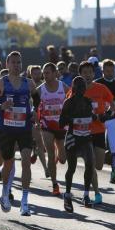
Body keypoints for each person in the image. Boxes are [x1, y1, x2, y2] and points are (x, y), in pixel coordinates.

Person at [0, 51, 36, 216]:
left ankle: (25, 202)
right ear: (7, 64)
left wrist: (34, 111)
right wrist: (0, 107)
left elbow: (38, 102)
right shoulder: (1, 83)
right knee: (8, 163)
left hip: (25, 128)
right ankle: (6, 191)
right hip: (7, 129)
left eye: (19, 62)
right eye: (13, 62)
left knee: (26, 161)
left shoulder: (29, 83)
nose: (16, 65)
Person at [69, 61, 115, 205]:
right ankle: (96, 192)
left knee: (99, 165)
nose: (87, 75)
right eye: (84, 73)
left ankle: (92, 189)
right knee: (91, 163)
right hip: (83, 133)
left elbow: (113, 104)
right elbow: (68, 108)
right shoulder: (75, 91)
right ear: (80, 75)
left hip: (99, 130)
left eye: (90, 72)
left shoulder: (101, 88)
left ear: (93, 74)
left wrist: (108, 114)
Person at [58, 76, 96, 212]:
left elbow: (92, 117)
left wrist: (96, 117)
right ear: (73, 88)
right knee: (72, 168)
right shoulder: (69, 103)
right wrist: (73, 120)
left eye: (83, 87)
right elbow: (61, 122)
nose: (81, 89)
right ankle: (67, 195)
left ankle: (86, 195)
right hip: (73, 139)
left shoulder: (88, 101)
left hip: (85, 138)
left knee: (90, 165)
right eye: (78, 87)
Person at [36, 62, 69, 196]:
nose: (45, 75)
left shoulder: (63, 87)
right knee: (50, 152)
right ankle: (55, 184)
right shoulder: (40, 89)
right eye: (44, 73)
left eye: (48, 72)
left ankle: (57, 156)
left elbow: (72, 100)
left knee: (62, 159)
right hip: (46, 126)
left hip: (61, 126)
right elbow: (33, 105)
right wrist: (35, 115)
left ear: (55, 73)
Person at [95, 59, 115, 183]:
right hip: (99, 119)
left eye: (112, 71)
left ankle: (113, 172)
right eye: (107, 71)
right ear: (103, 71)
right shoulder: (97, 83)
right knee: (98, 147)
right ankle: (93, 168)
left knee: (114, 147)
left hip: (113, 118)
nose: (110, 73)